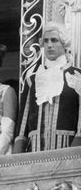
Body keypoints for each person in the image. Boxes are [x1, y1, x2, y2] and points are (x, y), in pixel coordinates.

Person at [13, 22, 81, 153]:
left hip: (68, 150)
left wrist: (75, 151)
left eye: (54, 40)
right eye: (46, 41)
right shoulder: (31, 80)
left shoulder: (77, 76)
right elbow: (22, 125)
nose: (49, 45)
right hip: (35, 152)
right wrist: (17, 155)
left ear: (64, 43)